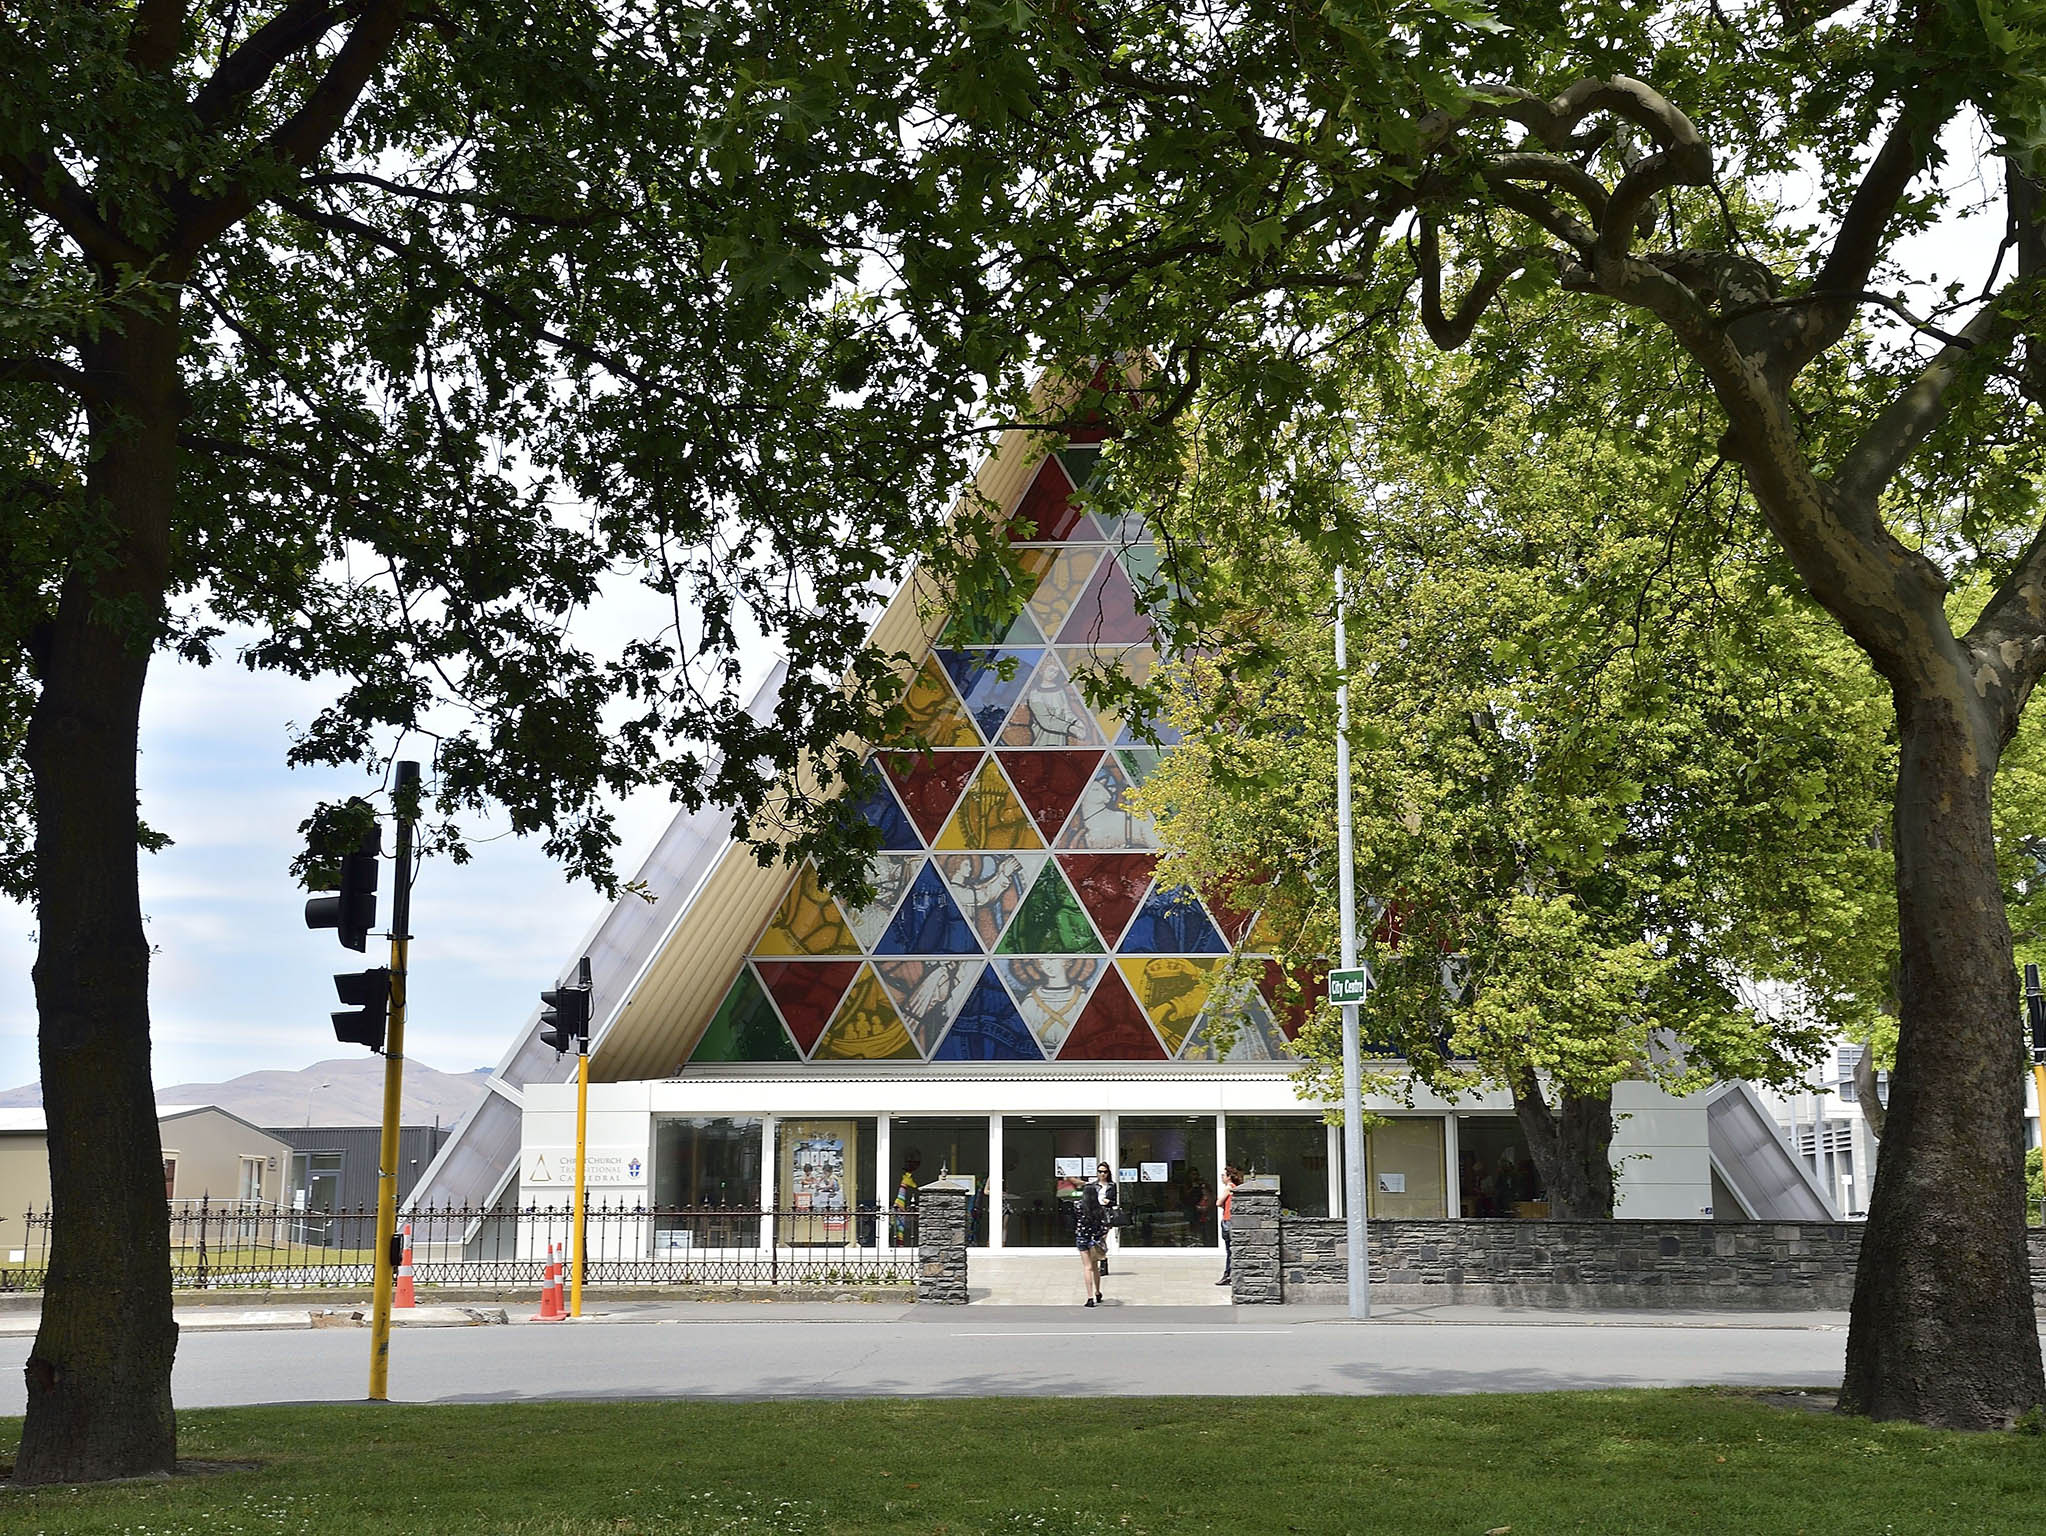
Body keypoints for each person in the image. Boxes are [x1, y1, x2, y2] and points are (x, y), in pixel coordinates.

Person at [1075, 1161, 1117, 1307]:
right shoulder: (1099, 1210)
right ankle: (1098, 1292)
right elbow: (1103, 1225)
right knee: (1094, 1265)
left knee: (1087, 1267)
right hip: (1095, 1238)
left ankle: (1090, 1297)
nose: (1102, 1174)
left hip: (1082, 1238)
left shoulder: (1079, 1206)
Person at [1216, 1164, 1243, 1286]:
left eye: (1223, 1175)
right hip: (1231, 1219)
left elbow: (1218, 1202)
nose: (1222, 1177)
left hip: (1228, 1220)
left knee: (1230, 1250)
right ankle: (1229, 1274)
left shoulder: (1229, 1188)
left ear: (1228, 1177)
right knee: (1231, 1250)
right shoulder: (1235, 1187)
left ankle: (1228, 1275)